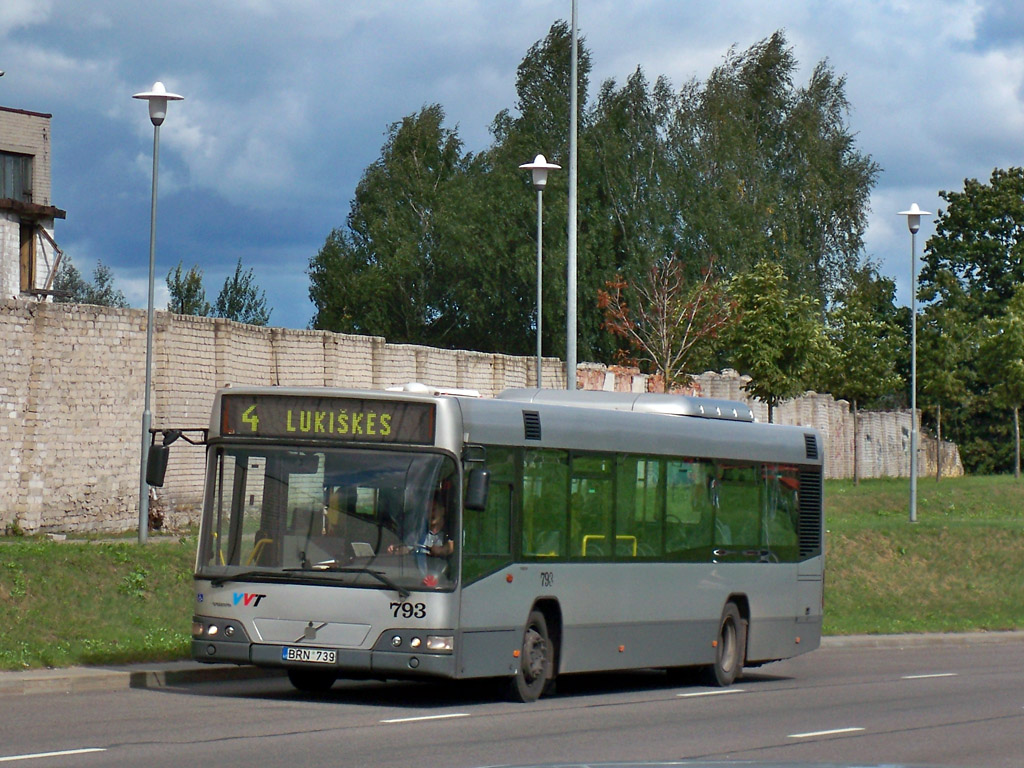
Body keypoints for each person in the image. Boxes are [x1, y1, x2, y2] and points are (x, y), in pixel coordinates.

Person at [388, 496, 454, 557]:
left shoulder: (451, 532)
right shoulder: (419, 533)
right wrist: (397, 549)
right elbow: (409, 547)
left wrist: (440, 550)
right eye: (428, 511)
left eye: (433, 509)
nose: (431, 513)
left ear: (443, 510)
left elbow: (451, 548)